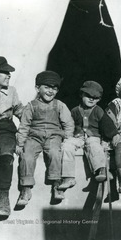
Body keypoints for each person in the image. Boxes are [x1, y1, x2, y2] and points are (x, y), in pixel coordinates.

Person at [16, 71, 74, 206]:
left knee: (54, 153)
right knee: (27, 156)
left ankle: (56, 184)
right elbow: (24, 126)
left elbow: (68, 123)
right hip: (34, 136)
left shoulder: (59, 105)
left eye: (54, 88)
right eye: (47, 87)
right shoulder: (31, 106)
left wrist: (67, 137)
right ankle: (26, 188)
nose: (50, 91)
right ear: (37, 88)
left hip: (54, 136)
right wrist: (20, 143)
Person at [0, 56, 24, 217]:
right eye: (4, 72)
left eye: (9, 72)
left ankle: (3, 197)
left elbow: (21, 112)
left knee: (6, 156)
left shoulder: (12, 91)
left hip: (5, 128)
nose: (9, 75)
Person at [60, 80, 112, 191]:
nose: (91, 99)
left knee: (94, 145)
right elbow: (68, 124)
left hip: (93, 137)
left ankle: (101, 170)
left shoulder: (98, 110)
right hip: (77, 137)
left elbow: (107, 125)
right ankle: (68, 177)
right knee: (67, 146)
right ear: (81, 94)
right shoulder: (74, 111)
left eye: (96, 97)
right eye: (88, 96)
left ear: (99, 99)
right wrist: (66, 135)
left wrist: (111, 136)